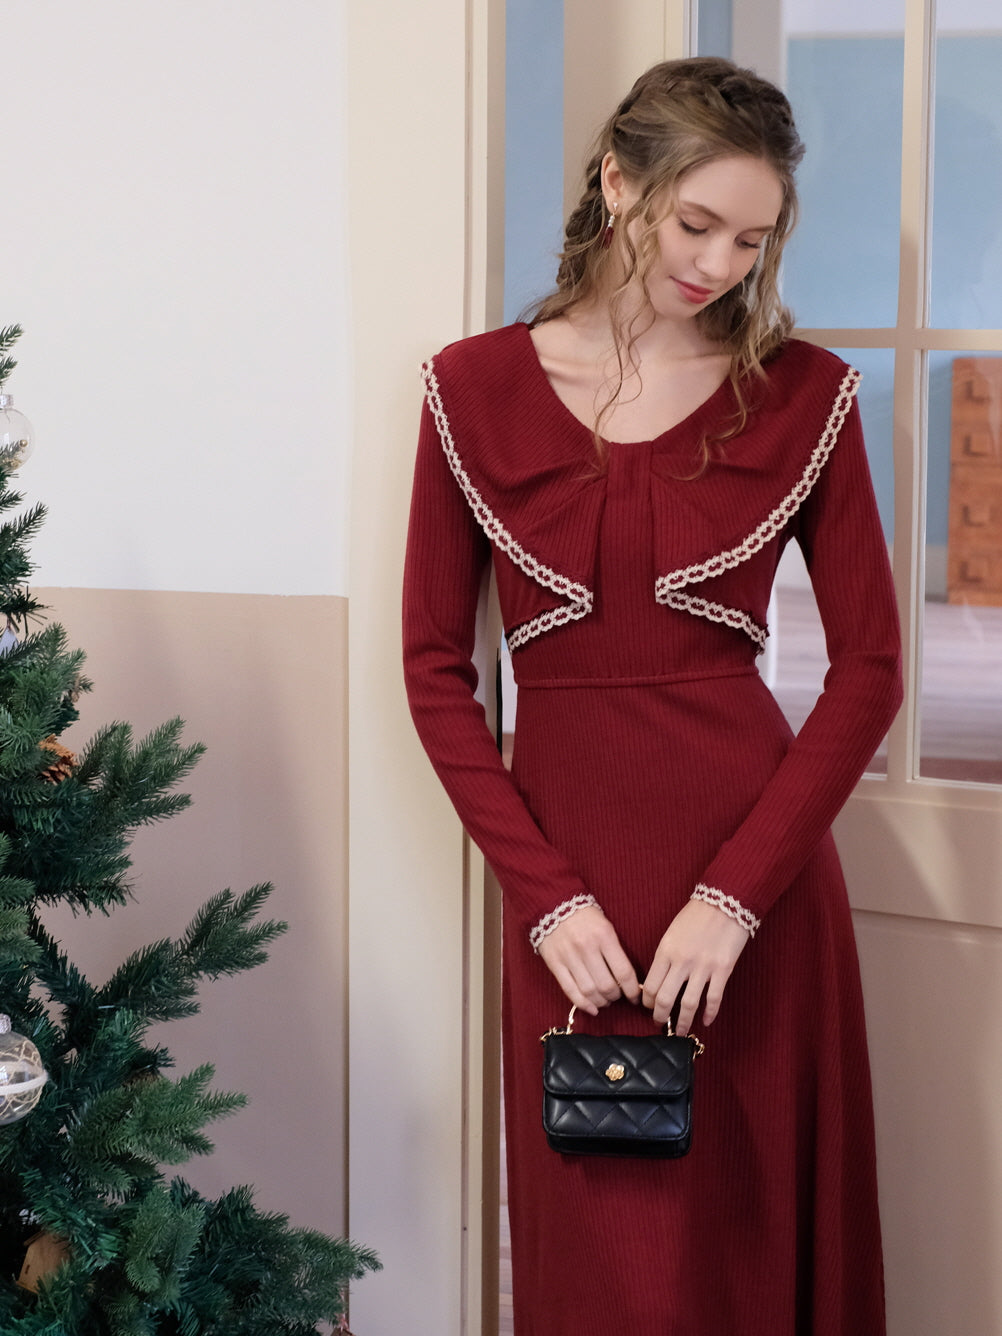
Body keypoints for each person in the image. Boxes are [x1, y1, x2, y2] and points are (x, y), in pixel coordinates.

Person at [402, 56, 902, 1335]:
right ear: (618, 182)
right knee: (601, 1259)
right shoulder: (471, 388)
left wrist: (736, 900)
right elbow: (434, 670)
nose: (721, 262)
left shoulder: (807, 395)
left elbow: (871, 671)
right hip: (574, 891)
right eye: (696, 224)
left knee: (755, 1237)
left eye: (752, 236)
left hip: (756, 887)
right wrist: (542, 891)